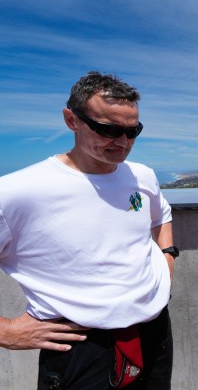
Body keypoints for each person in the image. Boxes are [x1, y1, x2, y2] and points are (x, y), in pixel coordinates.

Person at [0, 71, 179, 389]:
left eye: (132, 130)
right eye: (107, 129)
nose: (123, 142)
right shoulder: (17, 191)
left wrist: (167, 256)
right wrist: (5, 331)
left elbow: (160, 216)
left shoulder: (142, 176)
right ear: (72, 120)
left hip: (155, 331)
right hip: (81, 346)